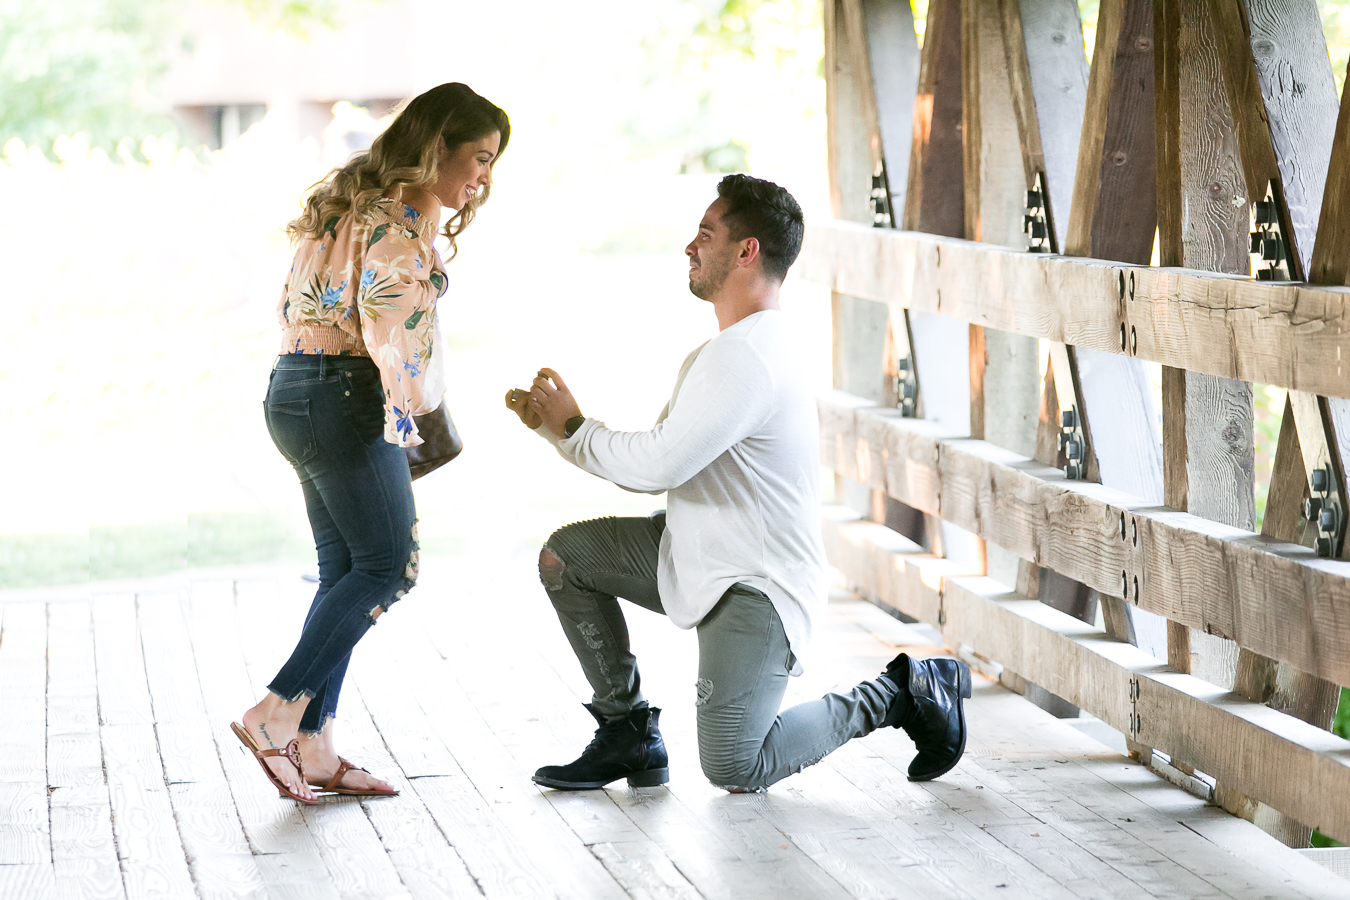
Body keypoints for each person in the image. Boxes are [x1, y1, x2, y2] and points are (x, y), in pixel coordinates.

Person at [505, 174, 971, 794]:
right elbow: (666, 457)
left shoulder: (748, 356)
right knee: (567, 559)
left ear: (747, 251)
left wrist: (573, 428)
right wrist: (562, 432)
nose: (690, 246)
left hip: (757, 582)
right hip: (697, 547)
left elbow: (658, 466)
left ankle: (896, 693)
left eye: (706, 233)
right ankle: (627, 730)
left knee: (734, 764)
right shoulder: (722, 352)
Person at [232, 83, 509, 804]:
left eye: (491, 165)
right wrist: (409, 409)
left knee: (345, 571)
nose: (481, 177)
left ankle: (314, 745)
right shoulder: (400, 215)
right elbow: (391, 320)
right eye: (476, 158)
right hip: (349, 394)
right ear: (436, 144)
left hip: (292, 389)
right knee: (389, 566)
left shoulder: (345, 200)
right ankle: (275, 713)